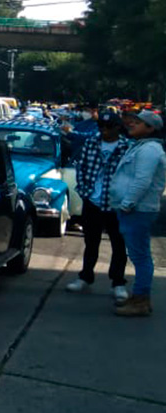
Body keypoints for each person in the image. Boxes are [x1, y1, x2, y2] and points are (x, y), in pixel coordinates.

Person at [65, 110, 130, 300]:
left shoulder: (127, 147)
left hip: (115, 203)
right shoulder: (91, 143)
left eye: (109, 127)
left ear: (118, 127)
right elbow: (81, 167)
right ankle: (85, 277)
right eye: (101, 126)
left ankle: (118, 282)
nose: (104, 130)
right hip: (92, 201)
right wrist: (85, 191)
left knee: (119, 244)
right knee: (90, 242)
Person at [108, 109, 166, 316]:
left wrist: (127, 203)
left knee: (141, 257)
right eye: (132, 121)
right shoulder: (141, 147)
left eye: (138, 122)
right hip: (134, 208)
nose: (131, 124)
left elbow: (142, 181)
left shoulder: (149, 150)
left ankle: (141, 300)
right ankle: (140, 297)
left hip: (137, 209)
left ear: (150, 128)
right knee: (139, 255)